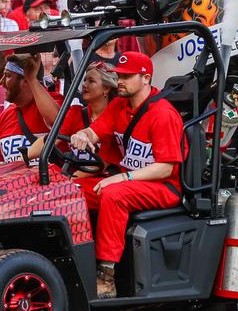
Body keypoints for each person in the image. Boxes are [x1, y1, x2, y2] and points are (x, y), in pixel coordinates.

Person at [68, 52, 184, 299]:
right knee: (71, 191)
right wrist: (83, 135)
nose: (120, 80)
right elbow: (94, 131)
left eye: (127, 76)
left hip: (163, 186)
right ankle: (71, 261)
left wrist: (123, 177)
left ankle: (106, 276)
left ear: (146, 78)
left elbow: (166, 167)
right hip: (131, 181)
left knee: (113, 193)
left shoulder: (163, 113)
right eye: (119, 75)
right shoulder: (119, 105)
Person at [0, 54, 65, 165]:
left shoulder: (56, 101)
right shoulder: (6, 115)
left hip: (52, 181)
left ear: (25, 81)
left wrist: (32, 79)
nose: (1, 81)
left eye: (7, 76)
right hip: (13, 182)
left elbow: (57, 122)